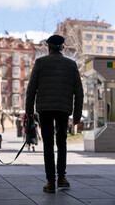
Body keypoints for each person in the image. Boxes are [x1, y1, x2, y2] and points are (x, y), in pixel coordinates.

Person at [26, 35, 83, 193]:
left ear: (48, 47)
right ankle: (62, 178)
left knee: (48, 145)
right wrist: (77, 114)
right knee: (62, 142)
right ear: (63, 48)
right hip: (63, 108)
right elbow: (79, 91)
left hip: (44, 108)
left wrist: (29, 111)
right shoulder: (71, 65)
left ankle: (50, 182)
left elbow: (31, 89)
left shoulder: (40, 63)